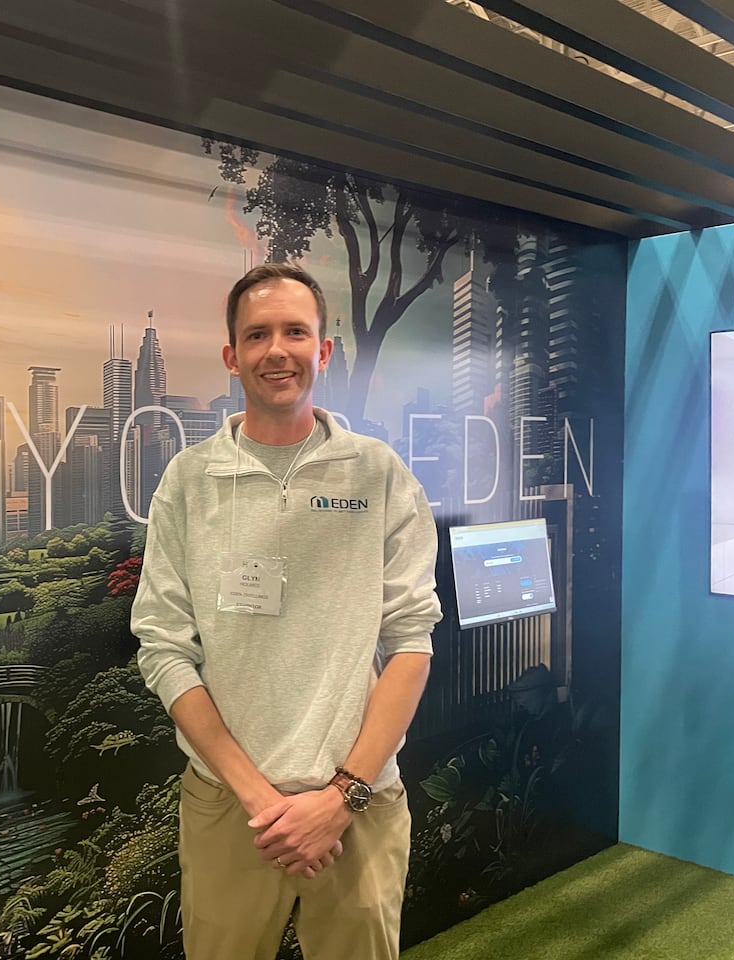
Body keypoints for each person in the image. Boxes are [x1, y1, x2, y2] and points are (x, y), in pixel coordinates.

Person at [132, 262, 442, 960]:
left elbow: (411, 641)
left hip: (359, 807)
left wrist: (341, 799)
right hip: (229, 807)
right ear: (232, 356)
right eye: (258, 335)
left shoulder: (378, 473)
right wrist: (261, 802)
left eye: (295, 332)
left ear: (323, 350)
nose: (278, 350)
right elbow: (163, 647)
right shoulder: (190, 480)